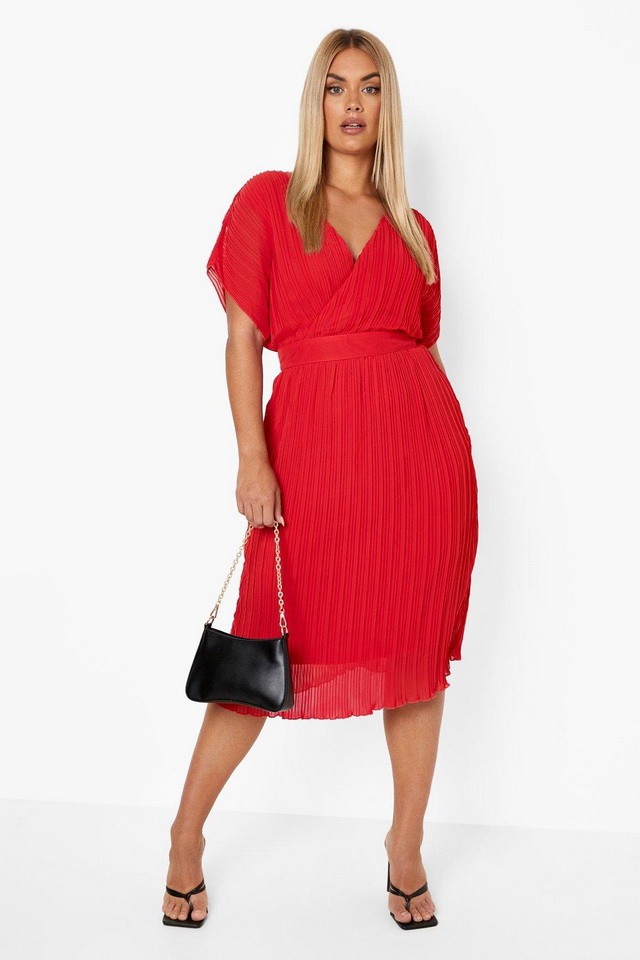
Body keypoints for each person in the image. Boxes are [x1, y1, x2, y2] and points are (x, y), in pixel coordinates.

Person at [162, 27, 479, 931]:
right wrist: (251, 457)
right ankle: (185, 837)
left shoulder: (414, 230)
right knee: (263, 646)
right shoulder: (270, 202)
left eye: (370, 87)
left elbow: (420, 348)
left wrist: (439, 458)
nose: (352, 103)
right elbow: (241, 340)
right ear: (316, 102)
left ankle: (406, 849)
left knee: (416, 658)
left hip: (419, 467)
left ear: (387, 105)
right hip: (309, 460)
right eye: (336, 86)